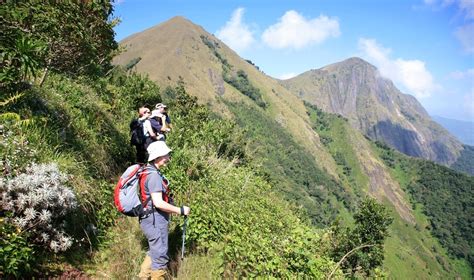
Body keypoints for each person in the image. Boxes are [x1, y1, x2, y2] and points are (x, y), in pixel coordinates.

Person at [138, 141, 190, 280]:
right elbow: (158, 202)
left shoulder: (147, 170)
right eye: (166, 155)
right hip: (155, 220)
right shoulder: (154, 175)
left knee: (154, 251)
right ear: (158, 156)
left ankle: (143, 277)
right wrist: (180, 210)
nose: (168, 158)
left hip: (148, 218)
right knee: (160, 257)